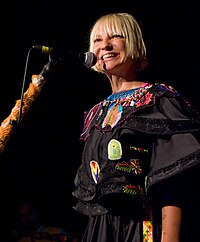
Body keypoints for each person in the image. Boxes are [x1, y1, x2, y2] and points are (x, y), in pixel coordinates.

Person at [71, 12, 200, 241]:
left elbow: (173, 181)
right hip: (101, 230)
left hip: (142, 226)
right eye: (98, 40)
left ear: (132, 43)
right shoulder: (95, 112)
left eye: (115, 37)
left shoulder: (156, 100)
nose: (105, 46)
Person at [8, 199, 73, 242]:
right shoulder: (22, 240)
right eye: (22, 215)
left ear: (38, 212)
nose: (26, 217)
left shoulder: (58, 233)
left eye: (30, 212)